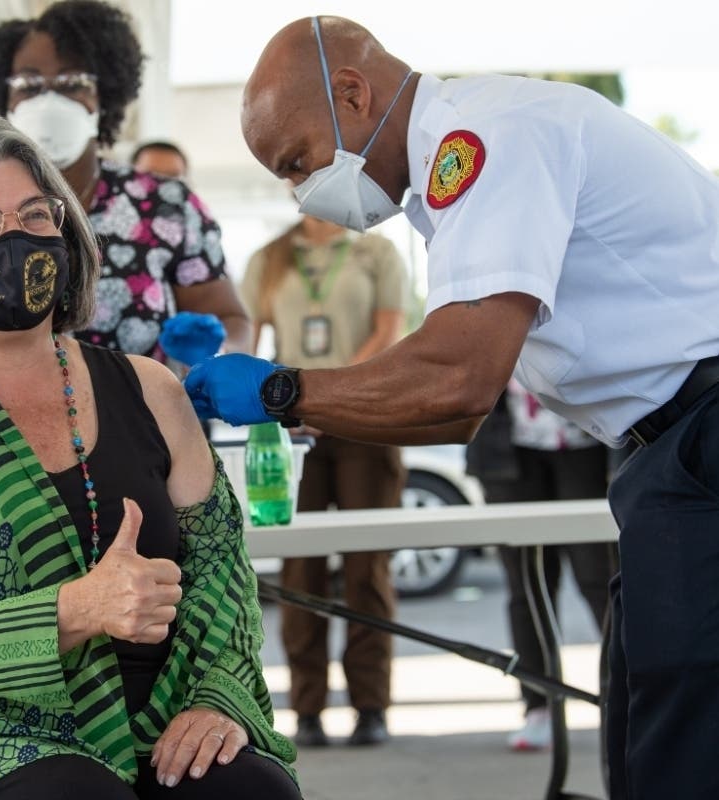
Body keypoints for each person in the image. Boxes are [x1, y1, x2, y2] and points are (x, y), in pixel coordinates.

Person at [183, 15, 719, 800]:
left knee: (684, 741)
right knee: (647, 719)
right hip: (667, 447)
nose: (304, 194)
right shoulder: (464, 163)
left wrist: (280, 391)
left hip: (699, 434)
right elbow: (456, 396)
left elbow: (457, 384)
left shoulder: (485, 138)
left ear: (353, 94)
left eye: (299, 162)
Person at [0, 112, 299, 800]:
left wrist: (217, 699)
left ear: (68, 242)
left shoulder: (152, 390)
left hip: (153, 716)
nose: (14, 240)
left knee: (246, 790)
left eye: (38, 217)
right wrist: (77, 608)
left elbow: (221, 570)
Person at [0, 0, 249, 367]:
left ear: (105, 96)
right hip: (4, 422)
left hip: (149, 419)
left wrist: (217, 357)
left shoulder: (165, 205)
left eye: (73, 83)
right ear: (4, 99)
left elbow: (232, 321)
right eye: (28, 84)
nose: (49, 99)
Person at [240, 214, 408, 747]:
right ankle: (307, 708)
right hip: (294, 429)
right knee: (301, 568)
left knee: (367, 568)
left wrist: (331, 393)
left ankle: (371, 706)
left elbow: (388, 331)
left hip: (365, 421)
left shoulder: (375, 252)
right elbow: (248, 337)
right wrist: (276, 399)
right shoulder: (269, 257)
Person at [465, 381, 617, 752]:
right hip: (508, 444)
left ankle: (624, 697)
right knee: (527, 587)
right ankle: (539, 706)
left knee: (603, 582)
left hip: (589, 443)